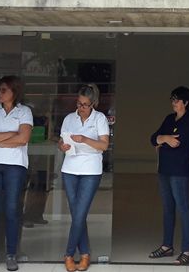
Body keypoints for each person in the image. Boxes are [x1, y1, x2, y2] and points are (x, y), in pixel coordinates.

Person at [0, 76, 33, 272]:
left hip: (15, 165)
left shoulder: (24, 111)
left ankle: (11, 254)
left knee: (12, 209)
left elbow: (23, 138)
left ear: (14, 92)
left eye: (3, 90)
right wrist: (12, 134)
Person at [57, 84, 110, 272]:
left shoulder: (99, 118)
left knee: (80, 214)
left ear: (93, 103)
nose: (81, 108)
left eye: (85, 105)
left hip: (90, 169)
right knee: (76, 215)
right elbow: (61, 140)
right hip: (70, 168)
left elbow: (104, 145)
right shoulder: (69, 118)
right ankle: (85, 253)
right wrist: (62, 146)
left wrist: (85, 139)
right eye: (79, 103)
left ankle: (69, 254)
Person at [148, 86, 189, 265]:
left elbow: (179, 142)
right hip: (164, 169)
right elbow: (153, 138)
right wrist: (165, 138)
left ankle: (187, 250)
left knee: (183, 208)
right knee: (168, 208)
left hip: (179, 171)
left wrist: (163, 140)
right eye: (172, 99)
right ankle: (167, 245)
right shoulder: (169, 118)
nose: (174, 103)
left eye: (177, 100)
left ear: (186, 102)